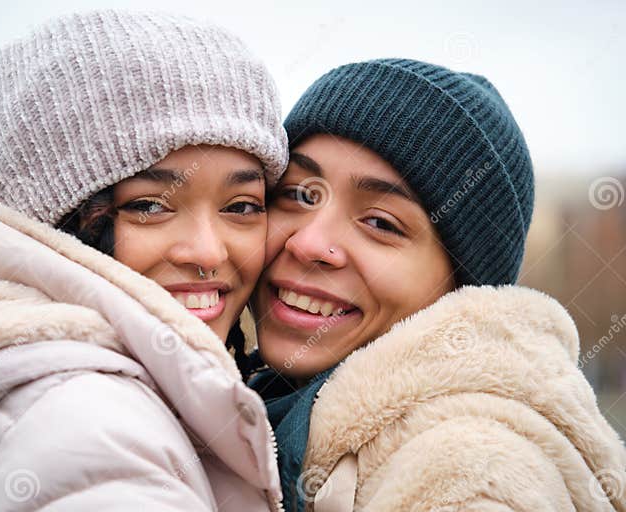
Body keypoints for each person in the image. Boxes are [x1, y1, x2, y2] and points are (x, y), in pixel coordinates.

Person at [0, 10, 288, 511]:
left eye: (241, 207)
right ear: (50, 220)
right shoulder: (99, 432)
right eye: (149, 206)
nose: (209, 252)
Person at [248, 58, 626, 511]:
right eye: (299, 194)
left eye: (380, 222)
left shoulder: (470, 474)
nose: (310, 243)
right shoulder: (265, 409)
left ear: (461, 286)